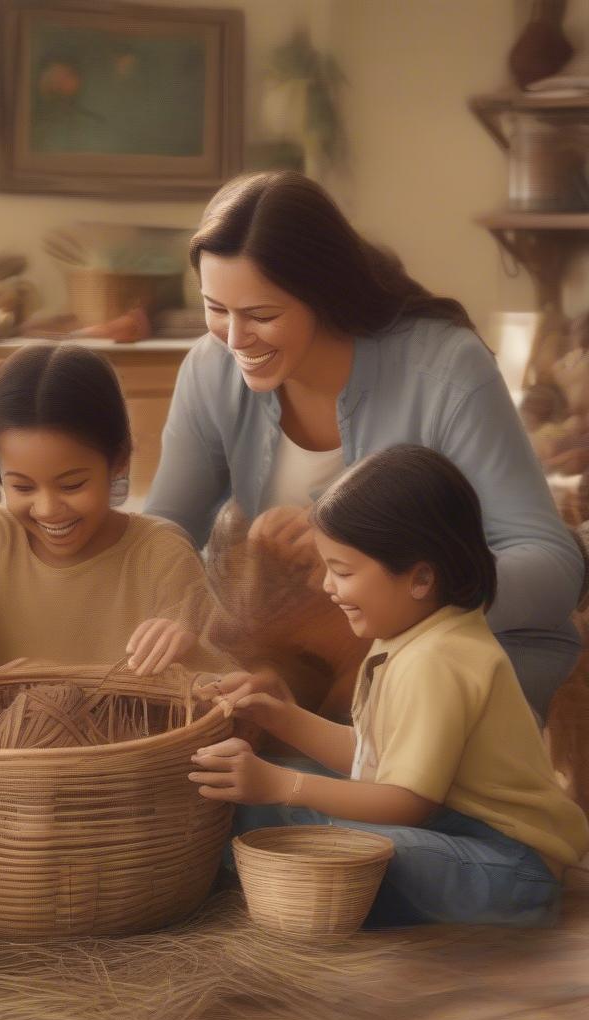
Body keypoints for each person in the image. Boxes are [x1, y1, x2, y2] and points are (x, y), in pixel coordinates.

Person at [145, 170, 584, 719]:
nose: (235, 340)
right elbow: (163, 538)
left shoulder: (444, 369)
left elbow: (553, 566)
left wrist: (385, 568)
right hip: (299, 657)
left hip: (442, 658)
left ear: (323, 294)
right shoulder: (212, 371)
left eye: (262, 315)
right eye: (215, 308)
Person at [189, 445, 589, 927]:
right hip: (452, 829)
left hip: (506, 866)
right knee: (270, 803)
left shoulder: (440, 658)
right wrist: (283, 716)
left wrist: (284, 785)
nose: (327, 589)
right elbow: (372, 757)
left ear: (420, 577)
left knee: (333, 839)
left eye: (342, 572)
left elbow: (407, 802)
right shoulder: (405, 638)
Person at [0, 345, 234, 698]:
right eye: (22, 486)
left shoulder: (161, 551)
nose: (46, 509)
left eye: (72, 485)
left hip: (131, 751)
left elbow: (220, 673)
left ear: (118, 460)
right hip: (4, 751)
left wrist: (188, 644)